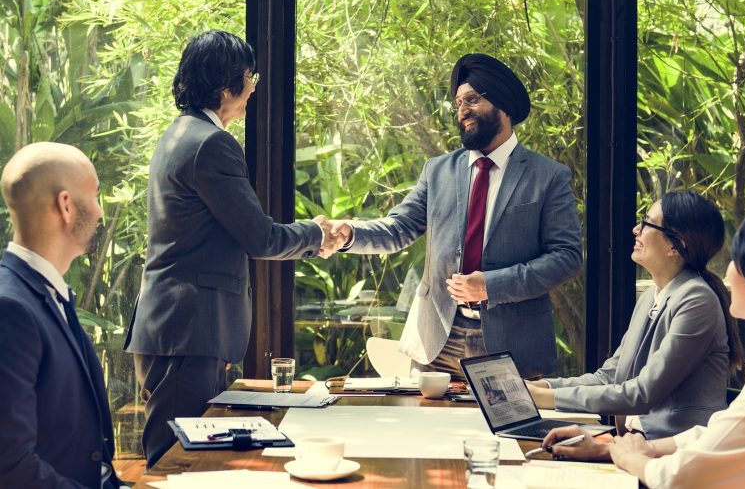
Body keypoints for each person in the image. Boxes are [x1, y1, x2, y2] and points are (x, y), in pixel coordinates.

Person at [124, 30, 337, 468]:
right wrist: (316, 235)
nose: (254, 87)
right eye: (249, 78)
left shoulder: (179, 134)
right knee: (174, 463)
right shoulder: (211, 143)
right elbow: (260, 237)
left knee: (179, 454)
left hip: (175, 327)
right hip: (189, 329)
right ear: (226, 89)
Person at [330, 53, 583, 379]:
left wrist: (492, 286)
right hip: (437, 339)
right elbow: (399, 227)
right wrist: (350, 232)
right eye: (459, 103)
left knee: (505, 431)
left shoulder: (548, 176)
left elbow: (566, 256)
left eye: (473, 100)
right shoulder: (437, 171)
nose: (462, 110)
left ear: (502, 105)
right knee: (428, 427)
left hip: (512, 345)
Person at [541, 198, 745, 488]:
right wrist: (612, 447)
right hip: (651, 447)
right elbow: (716, 434)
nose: (725, 273)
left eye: (734, 260)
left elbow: (683, 475)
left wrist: (625, 455)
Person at [527, 190, 744, 439]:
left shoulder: (697, 300)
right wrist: (542, 387)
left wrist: (547, 399)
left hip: (673, 452)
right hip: (636, 442)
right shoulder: (652, 296)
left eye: (647, 222)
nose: (635, 229)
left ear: (676, 245)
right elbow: (610, 375)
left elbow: (643, 393)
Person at [0, 142, 124, 488]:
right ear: (66, 205)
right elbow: (10, 468)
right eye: (96, 195)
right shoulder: (10, 309)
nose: (100, 212)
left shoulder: (45, 294)